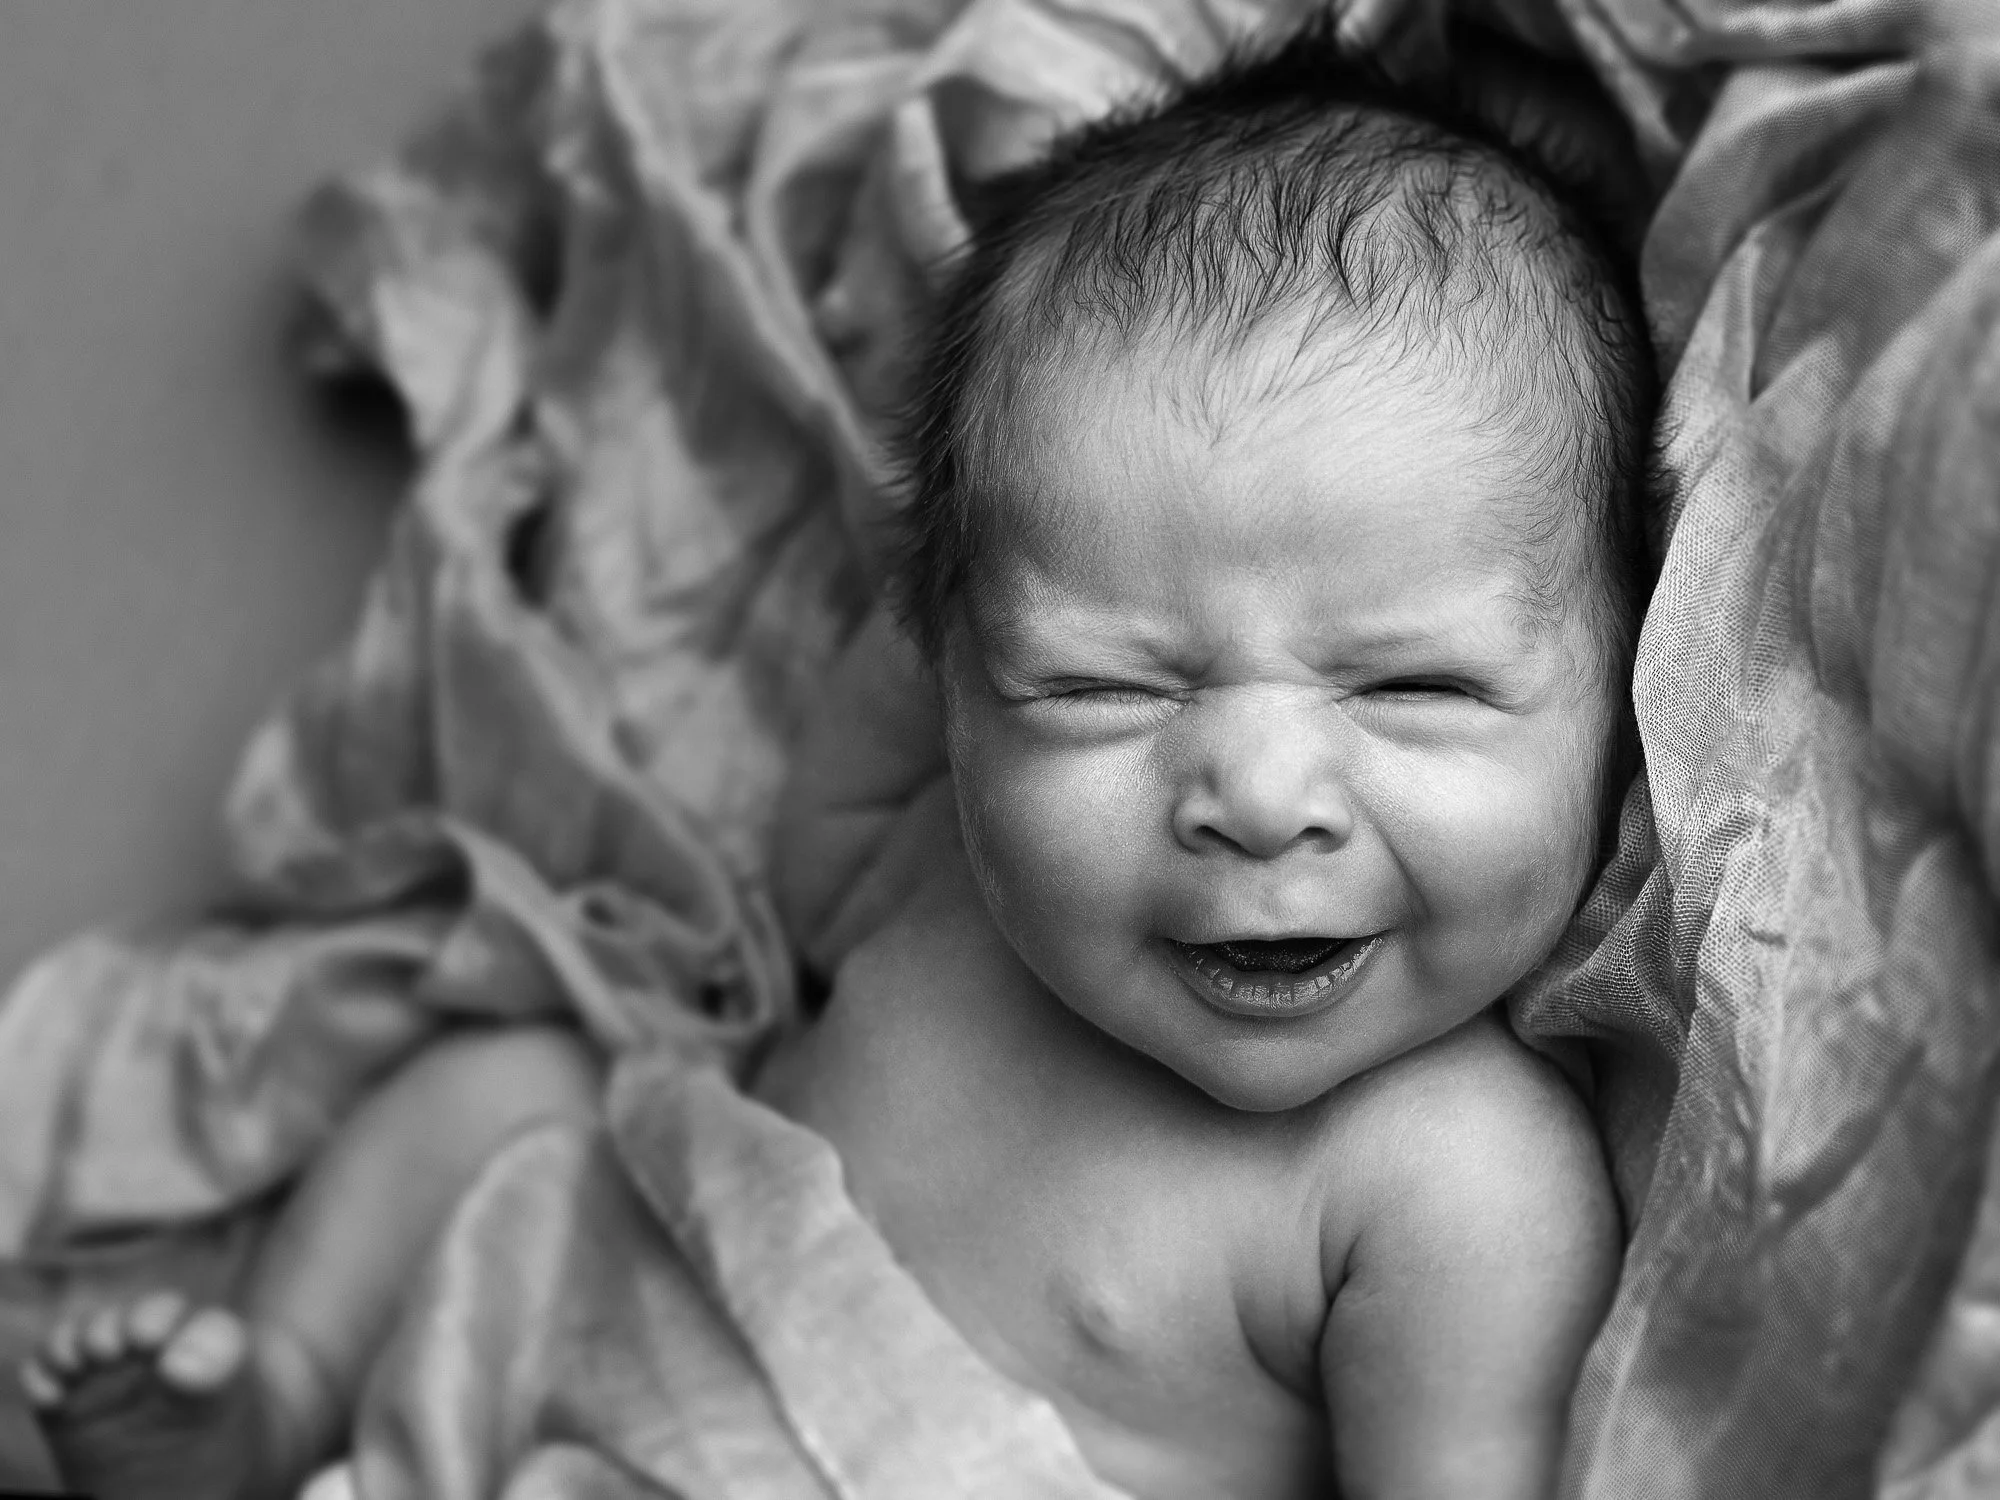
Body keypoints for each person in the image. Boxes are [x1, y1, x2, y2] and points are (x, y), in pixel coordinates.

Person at [21, 21, 1654, 1499]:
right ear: (961, 676)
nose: (1256, 796)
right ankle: (275, 1396)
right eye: (1103, 684)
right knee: (512, 1085)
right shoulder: (956, 853)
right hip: (561, 1362)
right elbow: (852, 779)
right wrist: (977, 584)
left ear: (1626, 679)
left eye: (1416, 684)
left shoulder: (1459, 1179)